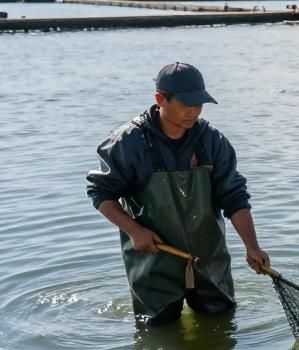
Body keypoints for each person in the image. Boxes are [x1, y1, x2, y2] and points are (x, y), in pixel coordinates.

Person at [87, 62, 270, 325]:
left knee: (221, 325)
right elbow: (100, 192)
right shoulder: (128, 142)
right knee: (158, 331)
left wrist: (252, 246)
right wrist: (134, 231)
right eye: (186, 104)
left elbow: (234, 197)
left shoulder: (213, 142)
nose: (193, 112)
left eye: (199, 104)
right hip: (153, 262)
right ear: (160, 99)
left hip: (210, 261)